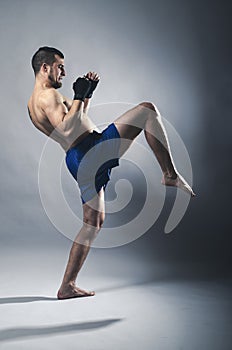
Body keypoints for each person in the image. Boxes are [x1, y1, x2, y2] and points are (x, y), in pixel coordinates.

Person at [28, 46, 195, 300]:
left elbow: (74, 124)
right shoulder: (48, 97)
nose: (63, 71)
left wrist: (85, 96)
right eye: (60, 66)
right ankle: (169, 173)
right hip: (91, 151)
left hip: (78, 159)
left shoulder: (33, 103)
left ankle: (67, 285)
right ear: (45, 67)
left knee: (92, 224)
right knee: (147, 111)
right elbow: (65, 130)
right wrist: (76, 96)